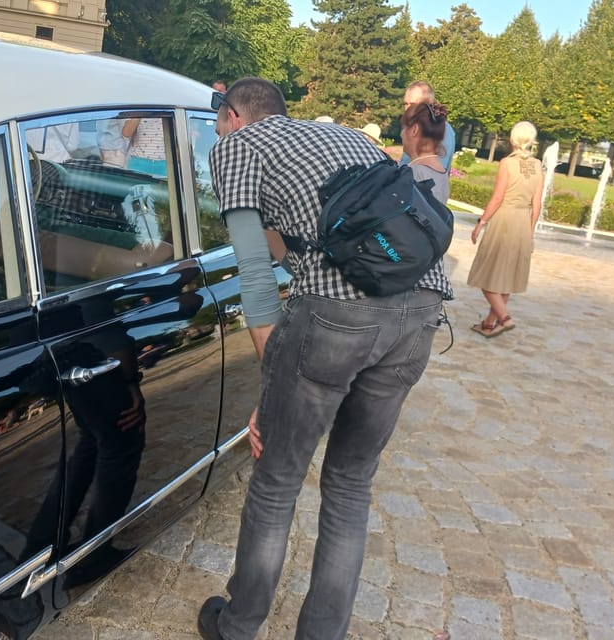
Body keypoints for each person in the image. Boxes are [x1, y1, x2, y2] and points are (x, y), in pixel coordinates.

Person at [197, 78, 452, 640]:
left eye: (220, 117)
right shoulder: (347, 141)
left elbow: (256, 276)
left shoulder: (235, 148)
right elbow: (304, 245)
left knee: (277, 479)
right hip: (422, 312)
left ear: (233, 116)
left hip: (337, 317)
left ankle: (237, 626)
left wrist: (272, 392)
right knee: (351, 484)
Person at [467, 121, 543, 337]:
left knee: (486, 273)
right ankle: (490, 323)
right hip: (522, 222)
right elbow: (537, 206)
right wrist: (530, 233)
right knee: (507, 276)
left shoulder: (507, 163)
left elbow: (498, 198)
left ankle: (505, 318)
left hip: (504, 220)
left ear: (512, 139)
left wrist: (481, 222)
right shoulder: (538, 166)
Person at [396, 81, 455, 171]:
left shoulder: (441, 129)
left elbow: (433, 174)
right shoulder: (412, 128)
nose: (407, 109)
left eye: (412, 104)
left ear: (429, 103)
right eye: (405, 104)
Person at [401, 102, 450, 204]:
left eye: (404, 127)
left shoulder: (413, 172)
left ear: (414, 130)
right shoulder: (442, 171)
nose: (402, 134)